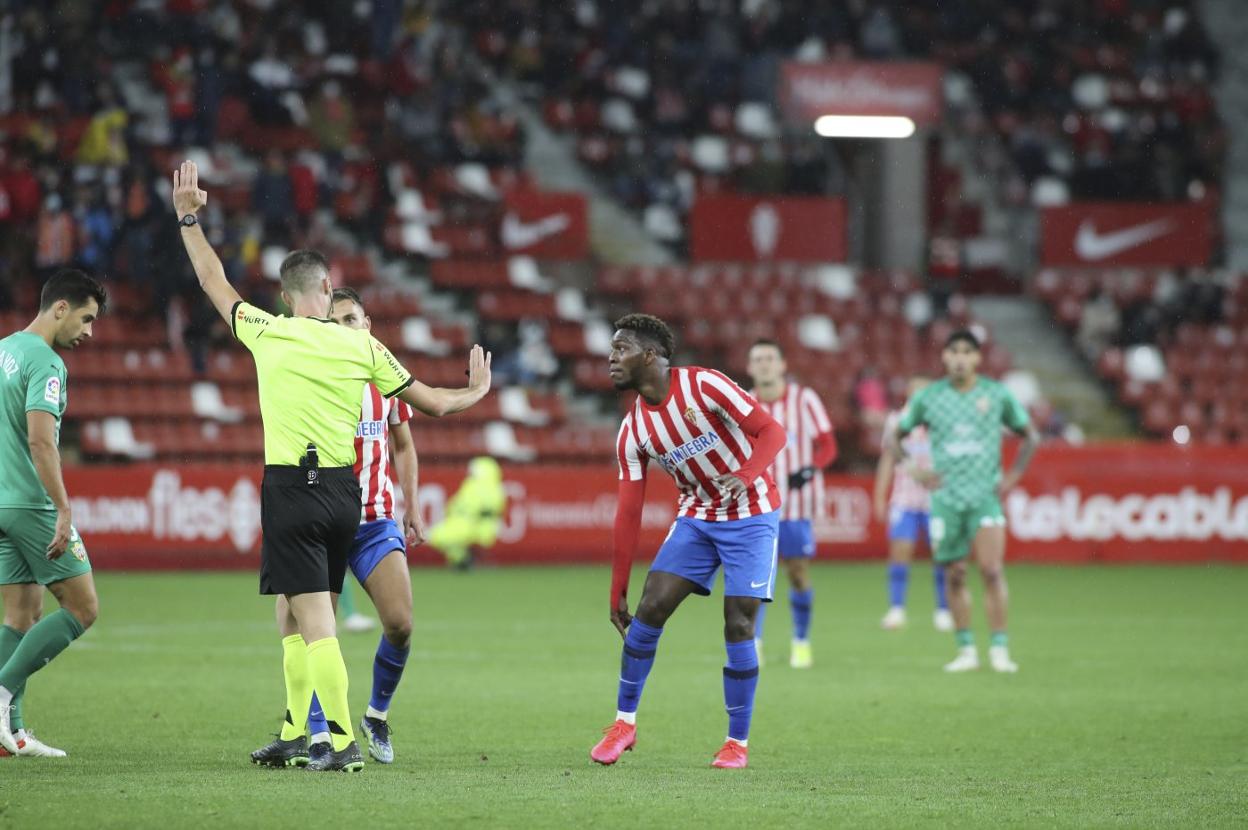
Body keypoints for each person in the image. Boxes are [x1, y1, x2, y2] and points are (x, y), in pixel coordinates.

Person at [171, 160, 491, 772]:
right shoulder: (361, 344)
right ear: (326, 290)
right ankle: (296, 729)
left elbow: (212, 278)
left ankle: (339, 741)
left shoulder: (266, 331)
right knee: (292, 610)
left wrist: (189, 217)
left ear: (286, 296)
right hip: (346, 492)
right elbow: (431, 402)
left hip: (292, 487)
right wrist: (474, 393)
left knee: (312, 617)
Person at [590, 314, 787, 770]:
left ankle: (736, 743)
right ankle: (624, 725)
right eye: (611, 349)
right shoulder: (633, 432)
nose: (611, 358)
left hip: (753, 514)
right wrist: (617, 587)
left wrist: (745, 474)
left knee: (738, 623)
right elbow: (629, 513)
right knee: (650, 608)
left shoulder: (706, 386)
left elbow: (773, 432)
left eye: (621, 349)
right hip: (698, 517)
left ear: (651, 355)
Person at [261, 287, 424, 767]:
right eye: (336, 322)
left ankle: (375, 714)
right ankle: (318, 735)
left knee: (400, 624)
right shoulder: (312, 377)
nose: (346, 329)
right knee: (315, 631)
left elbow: (405, 445)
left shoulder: (386, 381)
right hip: (322, 517)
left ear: (368, 324)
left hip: (373, 521)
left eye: (353, 319)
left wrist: (411, 503)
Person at [0, 269, 107, 757]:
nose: (89, 331)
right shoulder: (46, 362)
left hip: (1, 503)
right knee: (83, 608)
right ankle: (0, 695)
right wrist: (63, 507)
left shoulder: (4, 349)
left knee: (21, 616)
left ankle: (11, 734)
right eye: (85, 318)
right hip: (30, 503)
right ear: (59, 308)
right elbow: (40, 440)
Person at [888, 331, 1040, 673]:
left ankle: (1000, 649)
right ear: (944, 358)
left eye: (966, 352)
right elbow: (894, 435)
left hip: (984, 498)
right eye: (953, 351)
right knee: (954, 574)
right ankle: (966, 649)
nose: (959, 358)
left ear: (977, 359)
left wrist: (1014, 475)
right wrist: (914, 469)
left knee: (991, 570)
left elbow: (1030, 434)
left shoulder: (996, 394)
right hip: (945, 500)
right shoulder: (929, 397)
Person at [744, 339, 837, 669]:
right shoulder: (743, 402)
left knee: (798, 573)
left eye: (770, 358)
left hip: (796, 505)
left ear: (783, 364)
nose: (765, 364)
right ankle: (754, 643)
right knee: (756, 577)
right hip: (754, 505)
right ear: (750, 367)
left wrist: (812, 467)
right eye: (759, 359)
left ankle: (801, 641)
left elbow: (828, 445)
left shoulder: (804, 398)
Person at [874, 377, 952, 632]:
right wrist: (879, 495)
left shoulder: (943, 422)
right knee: (900, 552)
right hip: (904, 499)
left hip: (936, 501)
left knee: (941, 556)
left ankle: (943, 610)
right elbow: (887, 460)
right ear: (908, 393)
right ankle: (896, 609)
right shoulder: (897, 421)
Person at [427, 456, 506, 569]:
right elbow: (458, 503)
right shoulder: (471, 484)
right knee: (436, 536)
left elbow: (489, 510)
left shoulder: (492, 488)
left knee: (440, 536)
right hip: (460, 522)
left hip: (474, 524)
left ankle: (464, 559)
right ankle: (462, 559)